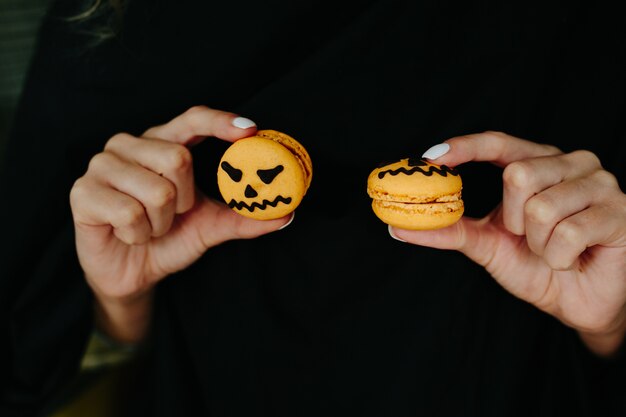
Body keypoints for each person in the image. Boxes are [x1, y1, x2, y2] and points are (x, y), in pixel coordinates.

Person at [1, 1, 624, 416]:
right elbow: (34, 358)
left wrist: (609, 324)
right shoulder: (113, 16)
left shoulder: (581, 23)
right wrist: (119, 303)